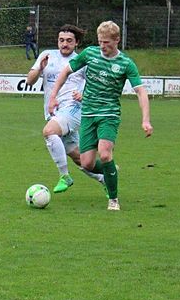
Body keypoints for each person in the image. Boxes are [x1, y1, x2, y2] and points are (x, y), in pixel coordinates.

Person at [48, 21, 153, 211]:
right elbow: (66, 71)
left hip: (109, 115)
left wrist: (145, 120)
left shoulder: (126, 63)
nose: (102, 46)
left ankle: (113, 200)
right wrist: (53, 96)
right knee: (87, 163)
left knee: (104, 154)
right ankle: (110, 170)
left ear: (117, 40)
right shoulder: (90, 54)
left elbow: (141, 91)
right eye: (100, 42)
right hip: (88, 114)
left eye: (106, 42)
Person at [26, 24, 104, 194]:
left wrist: (83, 94)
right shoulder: (47, 55)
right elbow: (29, 81)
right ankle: (107, 178)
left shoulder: (82, 61)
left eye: (69, 41)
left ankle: (64, 176)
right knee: (79, 157)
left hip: (74, 108)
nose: (64, 44)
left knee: (49, 132)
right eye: (61, 40)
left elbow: (96, 85)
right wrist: (40, 68)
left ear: (76, 43)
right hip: (53, 112)